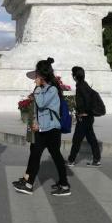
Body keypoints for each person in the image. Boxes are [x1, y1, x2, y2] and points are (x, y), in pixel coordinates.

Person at [13, 58, 70, 196]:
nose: (35, 78)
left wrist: (37, 88)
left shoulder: (52, 89)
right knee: (36, 154)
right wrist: (36, 122)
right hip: (43, 129)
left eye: (37, 75)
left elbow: (42, 104)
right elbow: (39, 109)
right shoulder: (45, 88)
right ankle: (30, 182)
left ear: (42, 75)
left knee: (52, 156)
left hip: (52, 129)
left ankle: (61, 185)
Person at [67, 66, 102, 167]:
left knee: (77, 140)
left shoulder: (81, 86)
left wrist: (84, 112)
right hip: (87, 117)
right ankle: (96, 160)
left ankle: (71, 160)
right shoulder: (83, 85)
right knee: (91, 138)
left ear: (75, 76)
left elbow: (86, 101)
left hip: (84, 117)